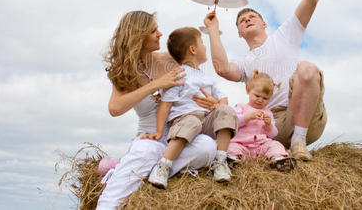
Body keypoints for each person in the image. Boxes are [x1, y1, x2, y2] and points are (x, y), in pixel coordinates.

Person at [203, 0, 327, 161]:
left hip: (303, 117)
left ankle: (299, 142)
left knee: (307, 69)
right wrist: (213, 29)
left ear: (264, 23)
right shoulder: (244, 62)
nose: (247, 19)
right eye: (242, 20)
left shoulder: (286, 34)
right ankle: (269, 151)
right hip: (268, 127)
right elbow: (221, 68)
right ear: (239, 33)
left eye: (252, 16)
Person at [96, 11, 218, 210]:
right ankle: (111, 197)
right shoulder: (126, 69)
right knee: (149, 151)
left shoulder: (168, 60)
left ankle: (135, 170)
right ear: (138, 36)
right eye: (153, 31)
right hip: (150, 137)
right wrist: (156, 84)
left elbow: (198, 53)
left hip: (179, 135)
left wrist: (214, 102)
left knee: (207, 147)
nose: (160, 34)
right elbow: (115, 108)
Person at [145, 27, 238, 189]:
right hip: (184, 121)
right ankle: (164, 166)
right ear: (193, 49)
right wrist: (159, 131)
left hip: (206, 121)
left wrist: (217, 105)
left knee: (227, 111)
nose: (205, 46)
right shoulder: (179, 75)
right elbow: (165, 105)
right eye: (202, 42)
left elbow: (224, 100)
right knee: (192, 121)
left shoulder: (208, 78)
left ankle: (220, 161)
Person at [227, 71, 297, 172]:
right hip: (242, 144)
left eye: (265, 98)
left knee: (275, 144)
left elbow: (273, 134)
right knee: (231, 147)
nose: (260, 100)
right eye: (257, 96)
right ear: (248, 90)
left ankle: (277, 159)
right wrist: (248, 117)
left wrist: (268, 125)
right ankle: (233, 160)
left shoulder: (267, 112)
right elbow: (234, 123)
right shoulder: (241, 107)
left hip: (260, 146)